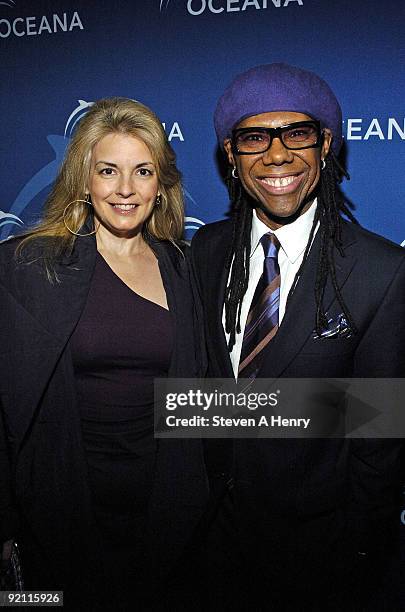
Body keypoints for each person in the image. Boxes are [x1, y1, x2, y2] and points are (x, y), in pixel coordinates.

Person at [191, 63, 405, 609]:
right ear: (231, 157)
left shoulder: (380, 270)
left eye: (297, 133)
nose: (277, 155)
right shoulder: (203, 252)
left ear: (326, 145)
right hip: (205, 543)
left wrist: (356, 553)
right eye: (254, 137)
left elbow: (377, 434)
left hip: (321, 558)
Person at [0, 97, 208, 610]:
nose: (125, 189)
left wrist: (352, 412)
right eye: (108, 170)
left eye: (143, 171)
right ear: (83, 179)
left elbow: (205, 392)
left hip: (164, 516)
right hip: (58, 516)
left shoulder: (180, 267)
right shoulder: (27, 266)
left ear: (161, 185)